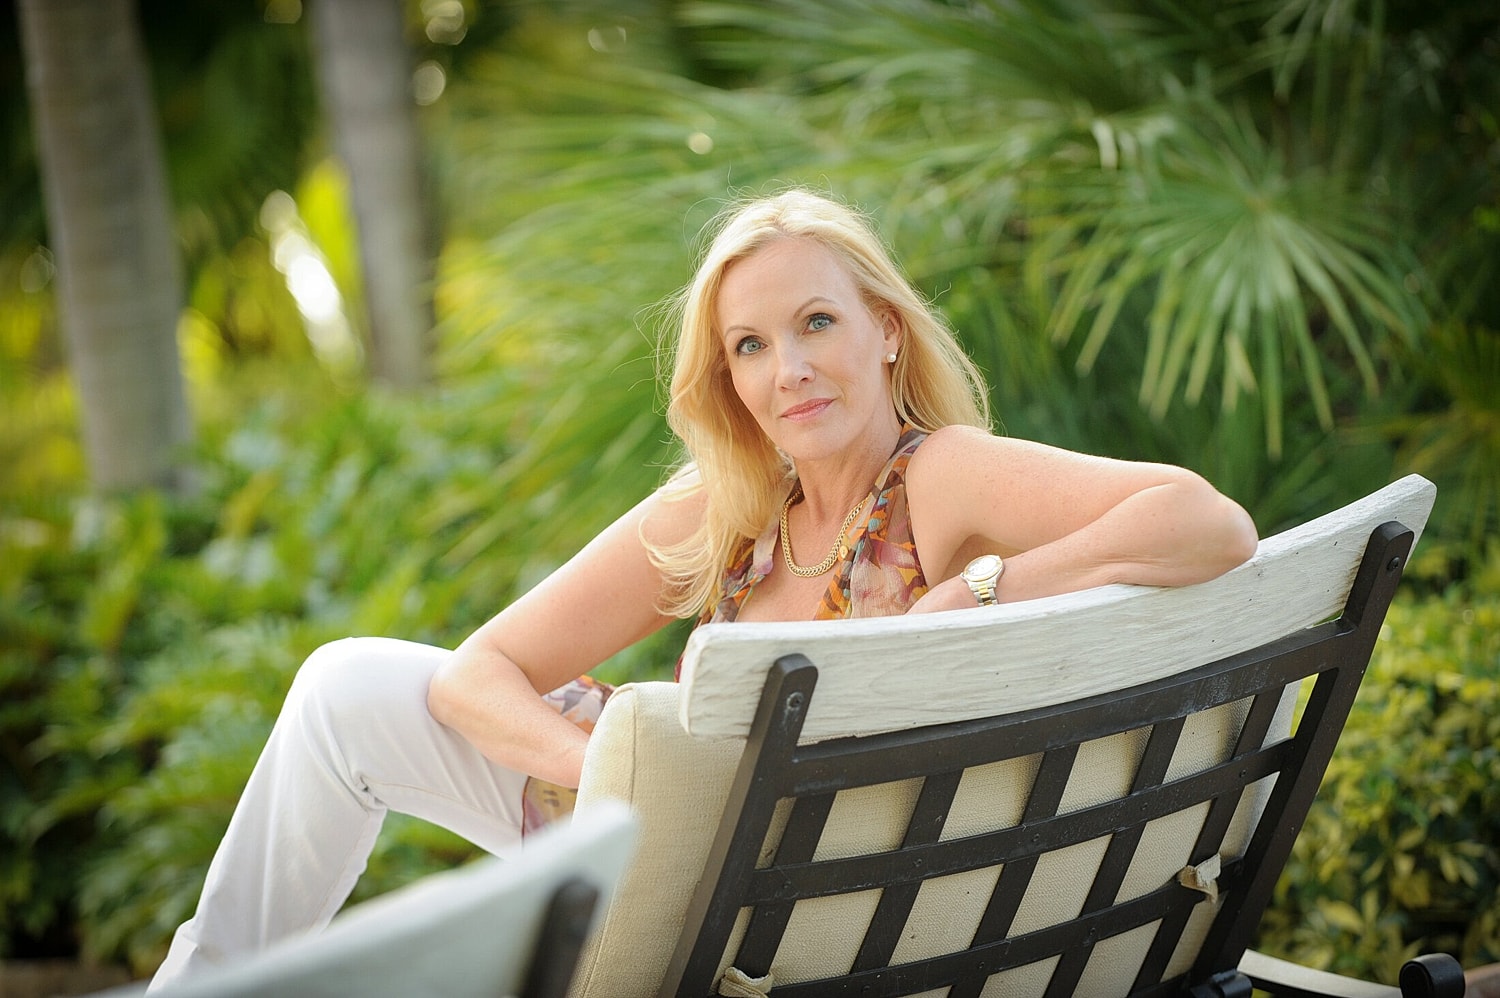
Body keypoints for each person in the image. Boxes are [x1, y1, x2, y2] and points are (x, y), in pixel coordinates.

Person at [149, 188, 1259, 988]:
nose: (790, 370)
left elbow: (1209, 520)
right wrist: (609, 769)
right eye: (750, 346)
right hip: (677, 852)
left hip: (783, 914)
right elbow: (476, 673)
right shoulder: (729, 506)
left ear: (885, 330)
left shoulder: (940, 474)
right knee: (346, 687)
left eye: (816, 322)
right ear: (726, 376)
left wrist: (983, 586)